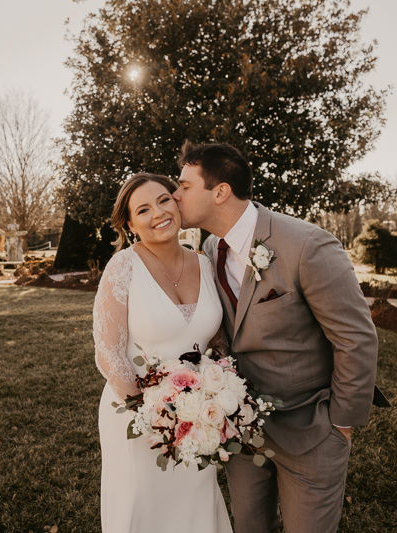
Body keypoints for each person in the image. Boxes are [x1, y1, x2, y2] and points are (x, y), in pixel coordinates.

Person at [172, 142, 390, 533]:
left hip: (311, 430)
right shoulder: (208, 248)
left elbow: (356, 338)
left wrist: (340, 425)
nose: (175, 195)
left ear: (219, 192)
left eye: (184, 186)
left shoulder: (307, 245)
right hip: (242, 431)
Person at [93, 173, 233, 533]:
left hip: (201, 418)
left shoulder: (205, 264)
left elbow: (218, 344)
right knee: (143, 507)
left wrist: (216, 400)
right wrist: (156, 415)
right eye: (143, 209)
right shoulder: (122, 268)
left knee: (196, 504)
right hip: (137, 420)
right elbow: (109, 351)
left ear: (177, 202)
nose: (158, 213)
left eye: (164, 201)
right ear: (130, 223)